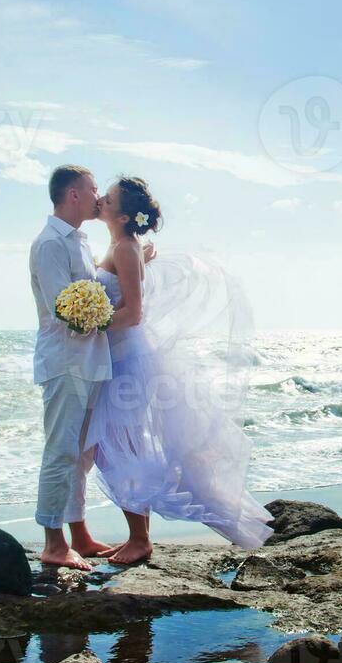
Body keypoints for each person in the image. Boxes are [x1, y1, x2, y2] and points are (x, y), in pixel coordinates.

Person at [84, 174, 274, 563]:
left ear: (122, 216)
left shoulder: (123, 248)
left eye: (110, 197)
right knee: (116, 448)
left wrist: (90, 322)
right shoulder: (124, 246)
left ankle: (140, 539)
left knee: (123, 448)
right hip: (121, 359)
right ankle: (138, 535)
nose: (101, 198)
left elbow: (133, 313)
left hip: (126, 364)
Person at [28, 164, 115, 570]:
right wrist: (119, 313)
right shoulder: (49, 243)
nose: (99, 196)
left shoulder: (78, 240)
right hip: (65, 362)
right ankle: (52, 542)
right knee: (61, 450)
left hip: (89, 360)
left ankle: (79, 533)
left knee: (83, 454)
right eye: (93, 188)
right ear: (73, 194)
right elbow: (65, 307)